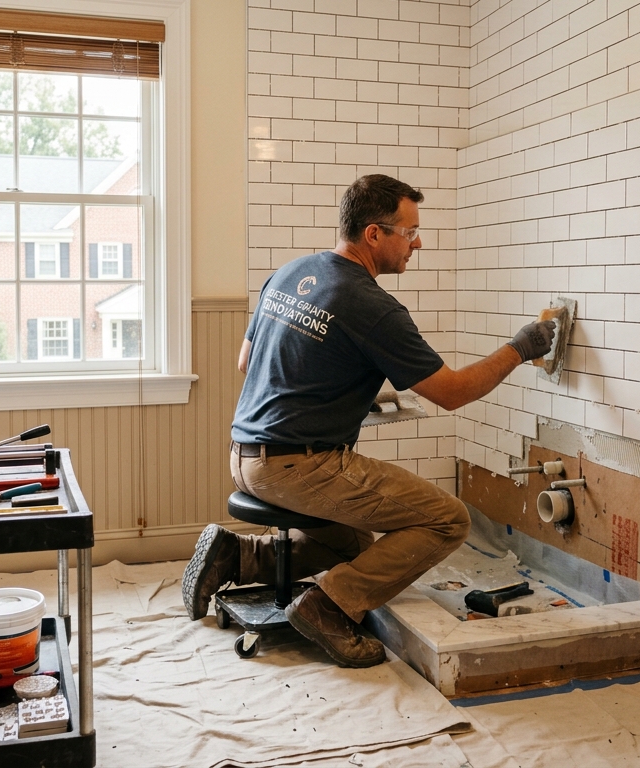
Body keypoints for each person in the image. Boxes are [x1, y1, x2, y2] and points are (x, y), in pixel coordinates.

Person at [181, 174, 556, 668]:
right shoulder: (372, 307)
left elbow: (247, 363)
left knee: (356, 542)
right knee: (448, 519)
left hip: (246, 456)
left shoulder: (292, 272)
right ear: (374, 234)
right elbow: (452, 393)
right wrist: (520, 347)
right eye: (410, 232)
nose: (417, 243)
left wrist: (330, 388)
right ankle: (328, 606)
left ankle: (237, 556)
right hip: (297, 468)